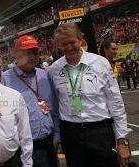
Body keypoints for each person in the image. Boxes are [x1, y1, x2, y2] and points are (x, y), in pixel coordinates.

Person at [48, 22, 132, 167]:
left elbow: (116, 103)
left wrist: (122, 140)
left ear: (80, 40)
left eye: (72, 42)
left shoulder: (100, 63)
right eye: (63, 44)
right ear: (58, 45)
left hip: (100, 132)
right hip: (71, 134)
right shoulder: (54, 69)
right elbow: (55, 106)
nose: (68, 47)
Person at [2, 35, 59, 167]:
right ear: (16, 54)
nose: (32, 57)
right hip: (25, 149)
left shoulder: (44, 75)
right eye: (27, 53)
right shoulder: (5, 80)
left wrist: (56, 136)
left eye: (35, 52)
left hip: (50, 143)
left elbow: (54, 109)